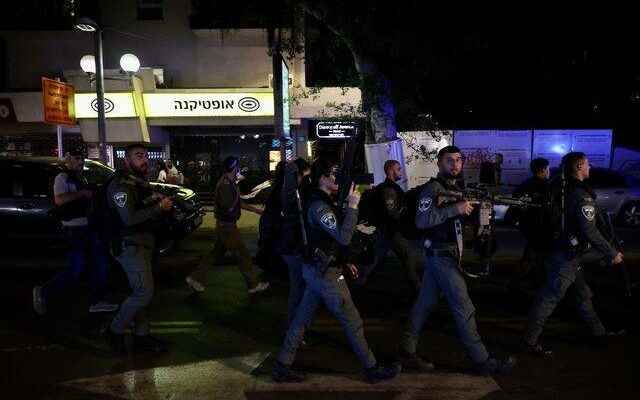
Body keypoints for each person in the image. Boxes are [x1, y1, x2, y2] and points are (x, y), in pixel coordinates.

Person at [272, 159, 401, 384]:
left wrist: (343, 261)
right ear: (321, 179)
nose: (335, 179)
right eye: (331, 175)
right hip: (325, 274)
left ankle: (282, 364)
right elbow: (342, 237)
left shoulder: (321, 202)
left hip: (317, 269)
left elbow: (327, 241)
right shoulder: (319, 207)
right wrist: (352, 207)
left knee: (301, 320)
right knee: (352, 320)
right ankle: (372, 368)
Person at [399, 146, 516, 375]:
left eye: (459, 160)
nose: (455, 164)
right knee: (464, 308)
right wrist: (456, 209)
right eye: (449, 160)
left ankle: (406, 349)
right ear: (439, 163)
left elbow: (456, 222)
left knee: (423, 306)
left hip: (446, 256)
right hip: (441, 257)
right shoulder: (433, 189)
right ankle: (483, 361)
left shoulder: (455, 188)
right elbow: (422, 221)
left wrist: (478, 216)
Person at [522, 152, 624, 356]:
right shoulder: (579, 194)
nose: (590, 168)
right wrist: (611, 253)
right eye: (587, 164)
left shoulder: (561, 187)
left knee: (582, 295)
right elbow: (589, 230)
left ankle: (599, 333)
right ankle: (529, 340)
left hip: (567, 252)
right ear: (578, 166)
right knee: (549, 297)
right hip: (566, 255)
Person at [106, 143, 175, 354]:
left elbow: (140, 207)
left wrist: (153, 200)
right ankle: (114, 330)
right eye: (138, 156)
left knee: (140, 293)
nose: (144, 160)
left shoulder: (137, 182)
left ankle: (142, 336)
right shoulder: (120, 185)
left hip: (143, 244)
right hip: (130, 246)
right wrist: (158, 207)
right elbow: (129, 219)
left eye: (145, 156)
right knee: (144, 293)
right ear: (126, 161)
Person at [33, 148, 118, 315]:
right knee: (76, 269)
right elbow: (59, 199)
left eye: (82, 159)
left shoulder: (81, 178)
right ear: (68, 160)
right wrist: (82, 193)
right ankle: (44, 292)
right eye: (77, 158)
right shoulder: (62, 177)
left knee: (99, 264)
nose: (81, 162)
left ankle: (97, 300)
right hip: (74, 229)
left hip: (88, 227)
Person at [186, 156, 269, 295]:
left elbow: (238, 203)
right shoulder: (225, 184)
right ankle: (253, 284)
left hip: (226, 226)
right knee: (243, 255)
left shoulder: (230, 182)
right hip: (227, 227)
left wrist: (257, 210)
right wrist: (236, 191)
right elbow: (229, 207)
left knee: (214, 254)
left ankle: (195, 278)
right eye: (238, 167)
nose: (239, 169)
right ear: (234, 167)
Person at [356, 159, 422, 294]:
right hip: (390, 231)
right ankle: (418, 290)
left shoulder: (387, 188)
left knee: (375, 260)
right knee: (407, 256)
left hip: (386, 232)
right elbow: (392, 213)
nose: (400, 172)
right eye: (398, 169)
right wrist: (404, 210)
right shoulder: (389, 190)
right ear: (390, 170)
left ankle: (357, 283)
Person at [277, 158, 311, 328]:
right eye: (305, 176)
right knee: (298, 289)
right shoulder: (294, 195)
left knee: (298, 288)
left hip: (289, 247)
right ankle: (295, 327)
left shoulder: (288, 190)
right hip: (294, 248)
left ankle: (296, 326)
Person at [510, 158, 551, 290]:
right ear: (544, 170)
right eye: (548, 169)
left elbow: (515, 204)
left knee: (535, 254)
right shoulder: (547, 186)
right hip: (540, 227)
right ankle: (517, 283)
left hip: (528, 226)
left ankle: (530, 280)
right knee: (534, 255)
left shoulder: (524, 184)